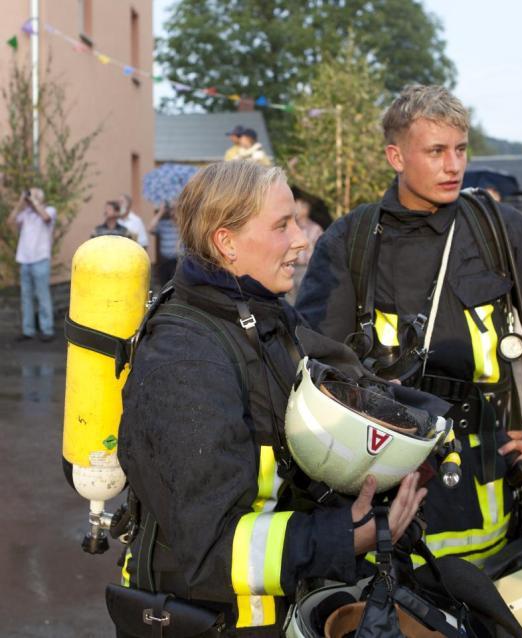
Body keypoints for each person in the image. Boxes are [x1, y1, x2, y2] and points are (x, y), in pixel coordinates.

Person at [115, 161, 426, 637]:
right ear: (227, 242)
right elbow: (211, 548)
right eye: (282, 225)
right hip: (218, 621)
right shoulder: (186, 357)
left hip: (273, 612)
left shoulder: (261, 313)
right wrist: (344, 537)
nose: (302, 240)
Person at [297, 84, 522, 566]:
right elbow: (317, 360)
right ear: (396, 156)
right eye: (436, 151)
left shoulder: (499, 229)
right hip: (385, 472)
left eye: (459, 150)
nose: (453, 165)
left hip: (487, 476)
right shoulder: (350, 240)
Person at [6, 187, 56, 342]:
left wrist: (34, 201)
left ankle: (47, 329)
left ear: (40, 198)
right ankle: (28, 330)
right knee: (26, 297)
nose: (30, 198)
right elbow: (10, 222)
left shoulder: (50, 210)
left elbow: (46, 218)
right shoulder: (25, 214)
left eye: (34, 195)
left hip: (40, 259)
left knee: (42, 296)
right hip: (25, 260)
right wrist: (21, 202)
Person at [147, 200, 181, 285]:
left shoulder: (183, 225)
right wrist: (161, 212)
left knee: (177, 286)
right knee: (164, 285)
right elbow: (150, 228)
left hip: (179, 262)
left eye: (175, 209)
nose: (173, 212)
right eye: (172, 209)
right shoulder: (164, 224)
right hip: (165, 261)